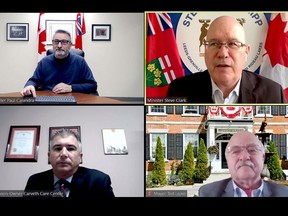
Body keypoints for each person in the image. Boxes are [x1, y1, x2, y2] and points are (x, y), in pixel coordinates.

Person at [166, 16, 286, 103]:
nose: (223, 53)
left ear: (246, 52)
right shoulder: (178, 91)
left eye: (233, 44)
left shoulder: (273, 94)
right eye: (214, 44)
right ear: (205, 50)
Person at [24, 128, 115, 198]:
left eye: (70, 148)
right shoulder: (34, 181)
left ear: (80, 157)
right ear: (49, 156)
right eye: (58, 148)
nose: (63, 154)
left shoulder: (99, 181)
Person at [198, 131, 288, 197]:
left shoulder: (284, 193)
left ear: (263, 157)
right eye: (235, 151)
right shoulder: (208, 193)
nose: (244, 157)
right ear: (227, 159)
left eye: (252, 150)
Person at [20, 29, 98, 97]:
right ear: (53, 44)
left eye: (64, 42)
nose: (59, 45)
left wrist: (71, 87)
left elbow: (92, 85)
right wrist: (29, 85)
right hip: (48, 100)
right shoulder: (44, 61)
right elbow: (34, 80)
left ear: (70, 45)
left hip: (73, 101)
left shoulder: (80, 61)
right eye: (56, 42)